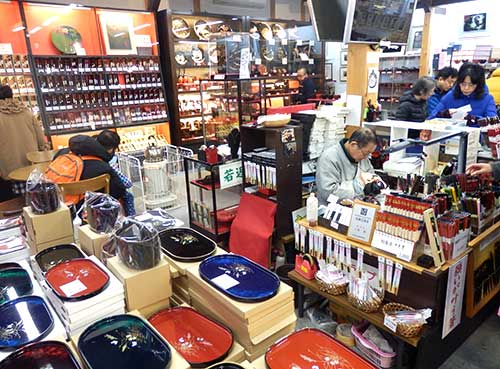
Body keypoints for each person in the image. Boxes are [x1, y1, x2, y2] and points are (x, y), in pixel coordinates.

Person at [0, 85, 46, 201]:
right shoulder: (26, 112)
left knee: (13, 207)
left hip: (8, 175)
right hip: (32, 169)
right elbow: (42, 142)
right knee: (36, 203)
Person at [53, 134, 127, 205]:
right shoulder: (102, 166)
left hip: (59, 206)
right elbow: (119, 191)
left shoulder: (60, 156)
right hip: (94, 210)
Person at [316, 127, 377, 204]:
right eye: (365, 153)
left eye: (369, 154)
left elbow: (371, 176)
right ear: (353, 144)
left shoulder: (363, 158)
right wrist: (358, 186)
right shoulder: (329, 158)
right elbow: (328, 193)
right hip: (331, 209)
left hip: (358, 208)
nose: (366, 157)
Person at [428, 63, 497, 124]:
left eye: (471, 85)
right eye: (463, 84)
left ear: (478, 84)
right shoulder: (450, 96)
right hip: (450, 137)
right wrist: (443, 115)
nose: (466, 88)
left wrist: (474, 119)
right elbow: (430, 119)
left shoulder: (487, 99)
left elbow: (493, 123)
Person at [96, 130, 135, 216]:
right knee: (128, 196)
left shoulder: (88, 154)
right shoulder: (109, 162)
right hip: (106, 196)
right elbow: (127, 183)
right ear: (112, 148)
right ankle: (131, 220)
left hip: (87, 197)